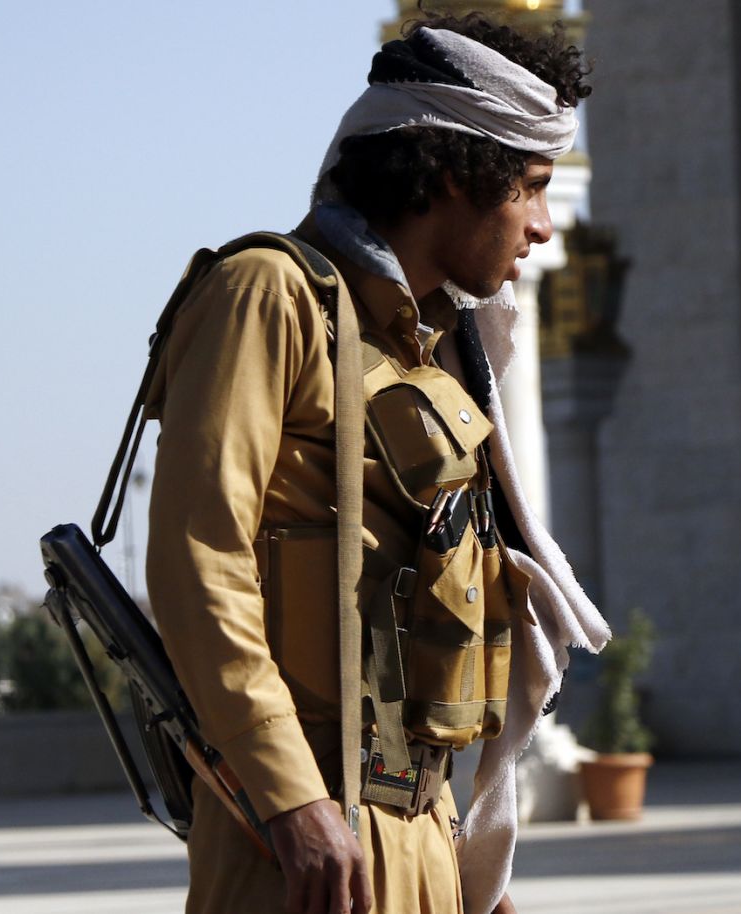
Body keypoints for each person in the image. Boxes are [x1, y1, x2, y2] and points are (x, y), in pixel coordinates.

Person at [145, 12, 610, 914]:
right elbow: (201, 557)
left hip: (412, 836)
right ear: (451, 173)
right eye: (532, 187)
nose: (545, 227)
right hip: (298, 850)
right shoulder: (271, 294)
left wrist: (469, 878)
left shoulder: (431, 354)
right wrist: (289, 799)